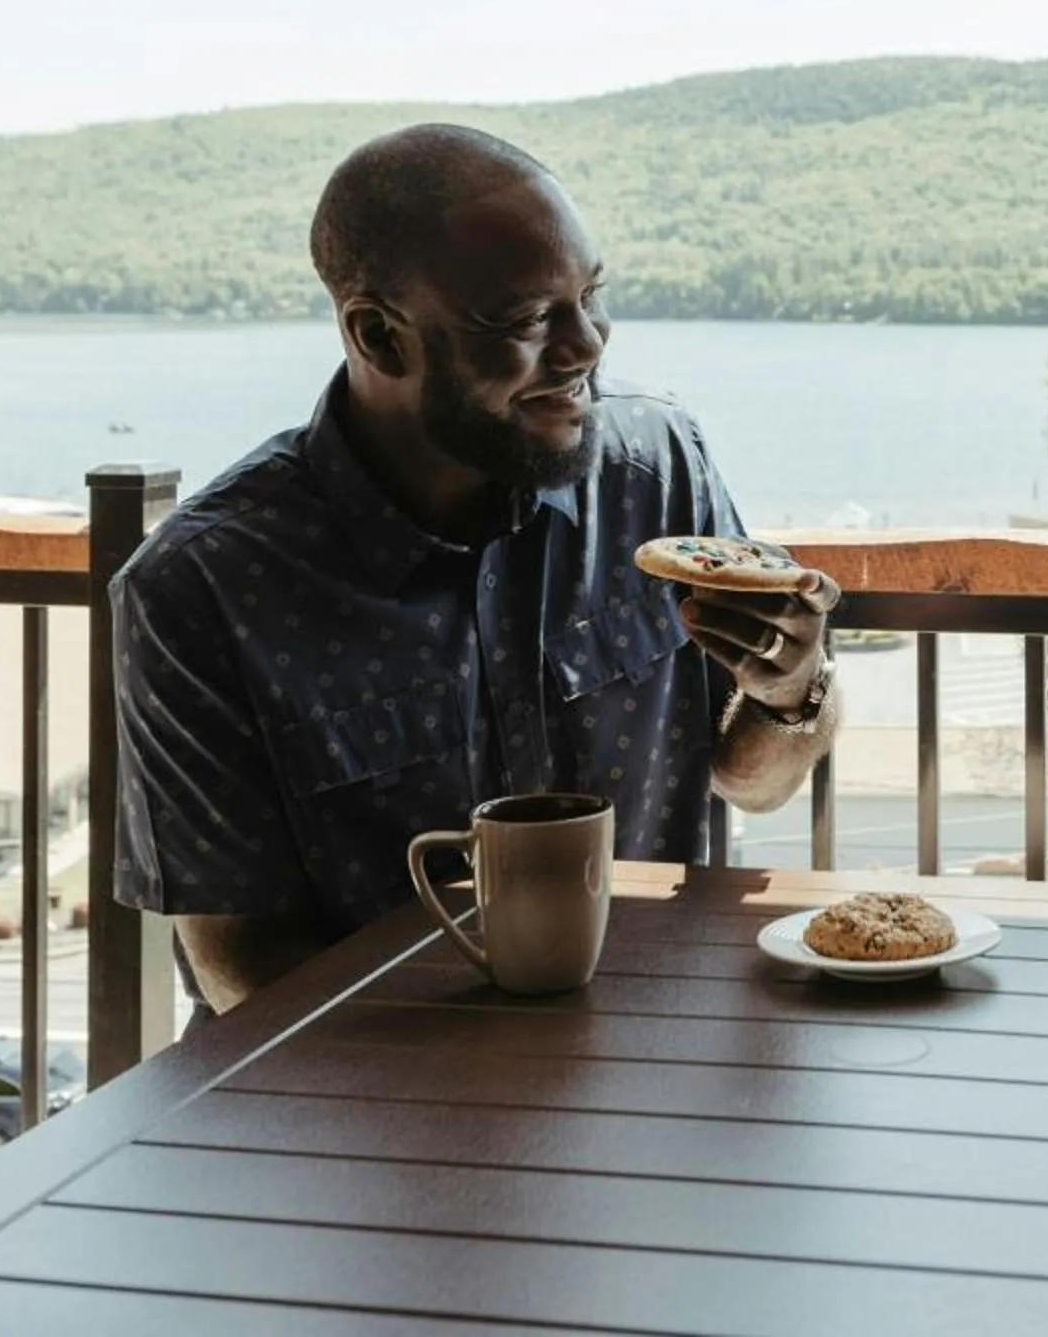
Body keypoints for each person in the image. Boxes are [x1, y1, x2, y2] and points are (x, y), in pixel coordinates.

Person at [111, 124, 840, 1013]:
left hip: (655, 1052)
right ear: (380, 337)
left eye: (590, 296)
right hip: (363, 1105)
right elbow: (242, 965)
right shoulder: (205, 587)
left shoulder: (656, 469)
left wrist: (790, 687)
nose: (586, 346)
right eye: (529, 319)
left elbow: (752, 781)